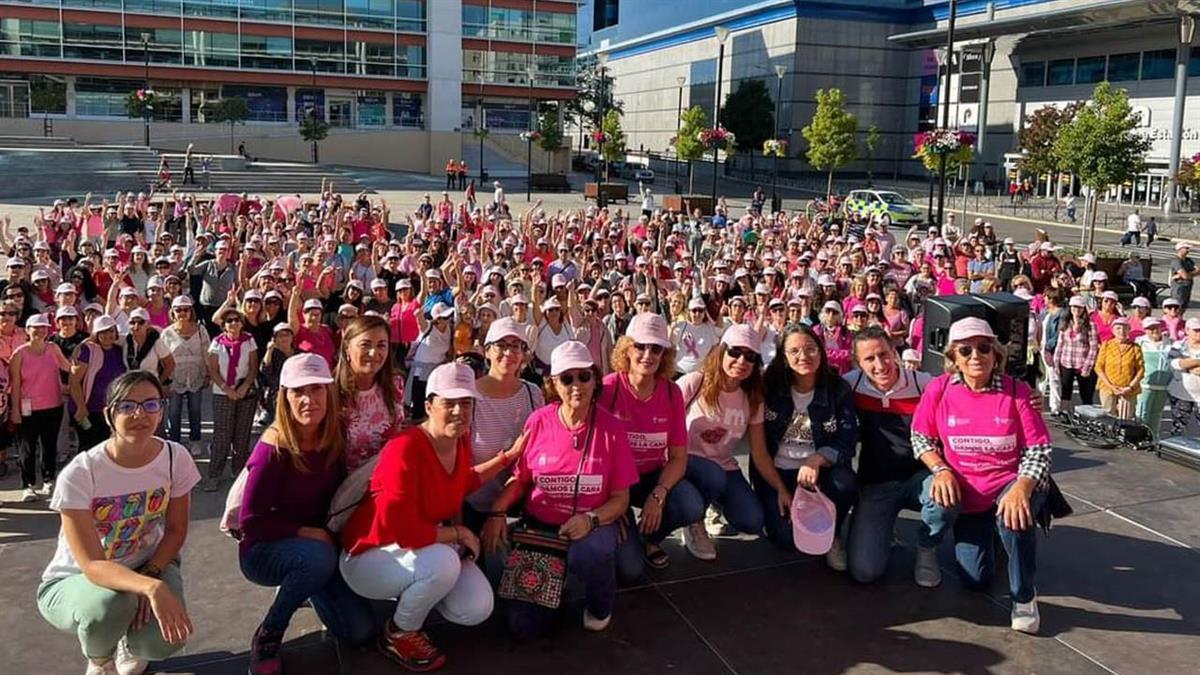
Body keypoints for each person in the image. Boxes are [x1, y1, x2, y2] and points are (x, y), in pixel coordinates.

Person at [339, 362, 519, 671]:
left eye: (466, 402)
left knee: (476, 608)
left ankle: (420, 593)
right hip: (370, 557)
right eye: (449, 403)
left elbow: (462, 481)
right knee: (445, 563)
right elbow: (405, 531)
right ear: (428, 405)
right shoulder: (404, 449)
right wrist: (459, 534)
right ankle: (399, 632)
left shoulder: (458, 440)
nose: (459, 411)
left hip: (419, 549)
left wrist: (508, 457)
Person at [38, 371, 200, 675]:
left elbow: (176, 530)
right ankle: (100, 659)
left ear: (162, 410)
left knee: (162, 641)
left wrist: (151, 574)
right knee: (110, 606)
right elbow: (92, 565)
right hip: (78, 580)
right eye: (127, 406)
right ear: (110, 414)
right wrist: (151, 588)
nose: (140, 414)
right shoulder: (82, 472)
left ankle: (131, 641)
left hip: (149, 564)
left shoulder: (174, 458)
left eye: (151, 404)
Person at [483, 341, 637, 638]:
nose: (576, 385)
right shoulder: (539, 421)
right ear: (553, 383)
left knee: (590, 554)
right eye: (567, 378)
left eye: (584, 376)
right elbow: (521, 479)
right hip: (542, 530)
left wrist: (592, 519)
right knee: (524, 628)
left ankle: (599, 604)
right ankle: (556, 579)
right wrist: (496, 512)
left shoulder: (612, 428)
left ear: (595, 379)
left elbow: (621, 498)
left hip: (591, 524)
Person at [911, 317, 1053, 634]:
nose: (976, 356)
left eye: (984, 347)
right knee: (975, 579)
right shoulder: (940, 389)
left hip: (1007, 483)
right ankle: (936, 544)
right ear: (953, 358)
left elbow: (1039, 449)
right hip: (965, 491)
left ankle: (1024, 596)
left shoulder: (1018, 392)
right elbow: (920, 438)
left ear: (996, 353)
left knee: (1015, 515)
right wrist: (941, 469)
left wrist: (1022, 487)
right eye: (965, 350)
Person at [238, 354, 376, 674]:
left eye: (316, 390)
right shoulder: (271, 450)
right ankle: (270, 632)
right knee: (316, 559)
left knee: (360, 631)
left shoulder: (334, 435)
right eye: (298, 391)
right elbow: (251, 523)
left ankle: (308, 586)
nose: (308, 399)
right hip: (266, 549)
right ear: (284, 396)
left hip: (321, 545)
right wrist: (305, 533)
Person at [843, 327, 956, 586]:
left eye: (884, 354)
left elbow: (968, 389)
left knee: (945, 496)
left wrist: (1024, 395)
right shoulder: (851, 384)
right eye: (869, 359)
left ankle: (927, 548)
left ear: (894, 352)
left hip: (921, 477)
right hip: (877, 484)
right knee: (865, 571)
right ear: (858, 363)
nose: (880, 364)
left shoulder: (923, 383)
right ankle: (881, 529)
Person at [601, 313, 703, 577]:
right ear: (626, 348)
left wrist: (658, 496)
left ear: (665, 354)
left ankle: (650, 537)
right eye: (640, 346)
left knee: (690, 504)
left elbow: (679, 457)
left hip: (650, 476)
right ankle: (628, 535)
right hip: (615, 483)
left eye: (656, 348)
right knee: (630, 570)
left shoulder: (671, 392)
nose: (648, 355)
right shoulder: (608, 388)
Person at [755, 324, 859, 570]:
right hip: (777, 472)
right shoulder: (770, 386)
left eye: (810, 349)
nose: (804, 357)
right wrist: (780, 488)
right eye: (794, 351)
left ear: (821, 352)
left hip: (819, 472)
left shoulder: (837, 388)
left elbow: (848, 440)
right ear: (783, 356)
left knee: (845, 484)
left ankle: (833, 535)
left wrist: (816, 459)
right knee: (785, 540)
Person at [676, 325, 766, 561]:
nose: (741, 360)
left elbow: (759, 451)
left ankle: (711, 503)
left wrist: (782, 491)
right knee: (712, 476)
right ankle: (693, 521)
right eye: (735, 352)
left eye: (750, 356)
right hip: (685, 464)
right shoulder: (695, 383)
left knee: (752, 520)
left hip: (723, 466)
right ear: (721, 351)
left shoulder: (753, 397)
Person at [464, 318, 543, 534]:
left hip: (519, 507)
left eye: (515, 346)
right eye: (501, 345)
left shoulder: (533, 393)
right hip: (473, 509)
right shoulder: (468, 398)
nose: (508, 353)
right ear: (487, 351)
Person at [10, 314, 72, 502]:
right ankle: (28, 485)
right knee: (27, 448)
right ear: (27, 330)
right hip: (28, 408)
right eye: (35, 328)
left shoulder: (53, 348)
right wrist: (15, 410)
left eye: (43, 328)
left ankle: (48, 479)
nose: (39, 331)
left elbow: (68, 368)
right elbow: (15, 385)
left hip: (53, 405)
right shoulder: (19, 354)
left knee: (49, 445)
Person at [337, 315, 404, 471]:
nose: (374, 353)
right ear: (347, 347)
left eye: (381, 345)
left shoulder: (396, 384)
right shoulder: (331, 391)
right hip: (345, 485)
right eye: (365, 345)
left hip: (387, 476)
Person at [204, 306, 259, 491]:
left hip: (245, 393)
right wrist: (226, 389)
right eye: (229, 321)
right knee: (222, 436)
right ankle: (214, 475)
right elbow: (212, 369)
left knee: (242, 435)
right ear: (224, 325)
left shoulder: (249, 341)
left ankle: (239, 473)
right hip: (223, 393)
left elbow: (253, 367)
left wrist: (243, 387)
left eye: (237, 320)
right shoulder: (217, 343)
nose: (233, 323)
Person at [69, 315, 128, 452]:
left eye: (111, 331)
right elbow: (74, 381)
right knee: (88, 448)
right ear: (96, 334)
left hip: (110, 410)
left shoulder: (120, 351)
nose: (108, 335)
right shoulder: (87, 351)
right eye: (103, 332)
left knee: (107, 448)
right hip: (89, 409)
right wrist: (81, 407)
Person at [160, 296, 209, 457]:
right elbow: (162, 360)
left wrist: (208, 374)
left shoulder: (201, 330)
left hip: (196, 377)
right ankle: (175, 444)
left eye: (185, 309)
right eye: (178, 310)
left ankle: (195, 440)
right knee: (174, 412)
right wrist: (164, 381)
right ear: (172, 312)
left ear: (191, 311)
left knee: (195, 410)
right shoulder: (166, 333)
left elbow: (207, 353)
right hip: (175, 379)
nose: (182, 313)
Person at [1053, 296, 1098, 413]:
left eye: (1079, 307)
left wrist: (1087, 367)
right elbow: (1060, 344)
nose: (1076, 309)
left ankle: (1087, 416)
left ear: (1083, 309)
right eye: (1074, 307)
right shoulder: (1065, 323)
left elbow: (1093, 348)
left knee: (1086, 394)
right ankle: (1065, 414)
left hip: (1082, 363)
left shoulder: (1090, 325)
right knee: (1066, 391)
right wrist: (1056, 363)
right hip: (1066, 362)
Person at [1094, 318, 1144, 420]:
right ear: (1113, 330)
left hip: (1128, 389)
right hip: (1108, 387)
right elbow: (1099, 367)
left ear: (1129, 330)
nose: (1121, 331)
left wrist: (1130, 387)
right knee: (1107, 417)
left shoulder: (1135, 348)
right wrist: (1111, 386)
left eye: (1125, 328)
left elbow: (1140, 370)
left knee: (1125, 419)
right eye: (1118, 328)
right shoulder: (1107, 345)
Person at [1135, 318, 1172, 438]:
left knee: (1157, 413)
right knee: (1142, 412)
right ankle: (1139, 436)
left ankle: (1152, 437)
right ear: (1145, 330)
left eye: (1156, 327)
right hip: (1145, 384)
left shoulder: (1170, 343)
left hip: (1164, 385)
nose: (1154, 331)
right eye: (1150, 329)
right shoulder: (1140, 343)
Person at [672, 296, 723, 376]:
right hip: (679, 371)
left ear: (704, 313)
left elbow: (715, 348)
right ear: (689, 312)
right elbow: (672, 346)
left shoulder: (709, 329)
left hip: (698, 375)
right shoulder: (681, 326)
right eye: (694, 311)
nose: (697, 314)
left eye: (700, 311)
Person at [1168, 317, 1200, 436]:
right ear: (1187, 330)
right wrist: (1196, 363)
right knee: (1178, 426)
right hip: (1181, 394)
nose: (1199, 333)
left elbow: (1182, 363)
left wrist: (1187, 363)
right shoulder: (1179, 345)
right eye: (1196, 330)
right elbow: (1175, 363)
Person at [1169, 241, 1197, 311]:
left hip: (1188, 287)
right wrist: (1188, 274)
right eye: (1186, 248)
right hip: (1179, 287)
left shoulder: (1188, 260)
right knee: (1177, 307)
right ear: (1180, 249)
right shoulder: (1176, 261)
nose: (1188, 250)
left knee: (1184, 308)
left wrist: (1186, 274)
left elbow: (1198, 271)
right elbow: (1184, 276)